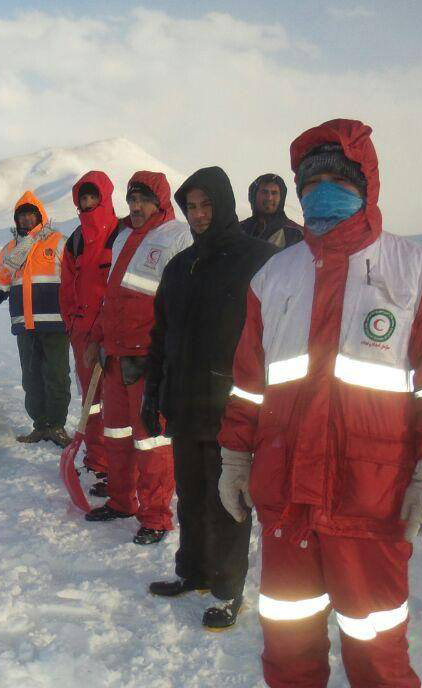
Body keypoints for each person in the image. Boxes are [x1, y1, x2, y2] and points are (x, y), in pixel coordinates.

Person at [217, 119, 422, 688]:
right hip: (286, 502)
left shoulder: (418, 274)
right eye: (314, 182)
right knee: (288, 648)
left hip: (369, 502)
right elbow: (250, 385)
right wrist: (234, 457)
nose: (323, 192)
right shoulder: (273, 278)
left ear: (367, 184)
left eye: (339, 178)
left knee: (378, 654)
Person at [142, 166, 277, 630]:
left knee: (228, 500)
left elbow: (274, 333)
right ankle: (194, 571)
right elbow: (161, 334)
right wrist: (152, 392)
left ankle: (228, 588)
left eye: (206, 206)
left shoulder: (257, 259)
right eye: (191, 207)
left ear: (223, 205)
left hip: (231, 404)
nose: (198, 216)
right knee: (191, 494)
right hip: (184, 402)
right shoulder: (181, 266)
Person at [82, 171, 192, 544]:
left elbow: (183, 304)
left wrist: (171, 356)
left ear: (159, 201)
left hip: (148, 359)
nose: (136, 207)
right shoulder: (125, 235)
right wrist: (96, 338)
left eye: (143, 200)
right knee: (116, 435)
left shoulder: (177, 236)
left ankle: (156, 516)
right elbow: (111, 296)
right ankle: (121, 500)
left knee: (151, 441)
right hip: (114, 356)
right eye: (131, 200)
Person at [0, 191, 71, 446]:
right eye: (22, 216)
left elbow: (75, 283)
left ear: (40, 216)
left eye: (31, 214)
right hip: (25, 326)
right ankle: (40, 426)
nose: (27, 220)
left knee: (56, 376)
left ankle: (57, 426)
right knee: (31, 379)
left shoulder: (58, 243)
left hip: (55, 324)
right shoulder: (10, 251)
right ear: (16, 220)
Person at [60, 171, 120, 495]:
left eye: (92, 197)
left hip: (113, 333)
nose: (87, 203)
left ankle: (120, 465)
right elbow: (67, 288)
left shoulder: (122, 234)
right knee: (92, 402)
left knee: (117, 401)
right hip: (82, 333)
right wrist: (72, 324)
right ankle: (98, 462)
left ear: (105, 197)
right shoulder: (75, 240)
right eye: (83, 198)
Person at [238, 173, 303, 250]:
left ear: (281, 198)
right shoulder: (239, 229)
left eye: (274, 193)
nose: (269, 198)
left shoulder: (295, 233)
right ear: (254, 196)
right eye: (264, 192)